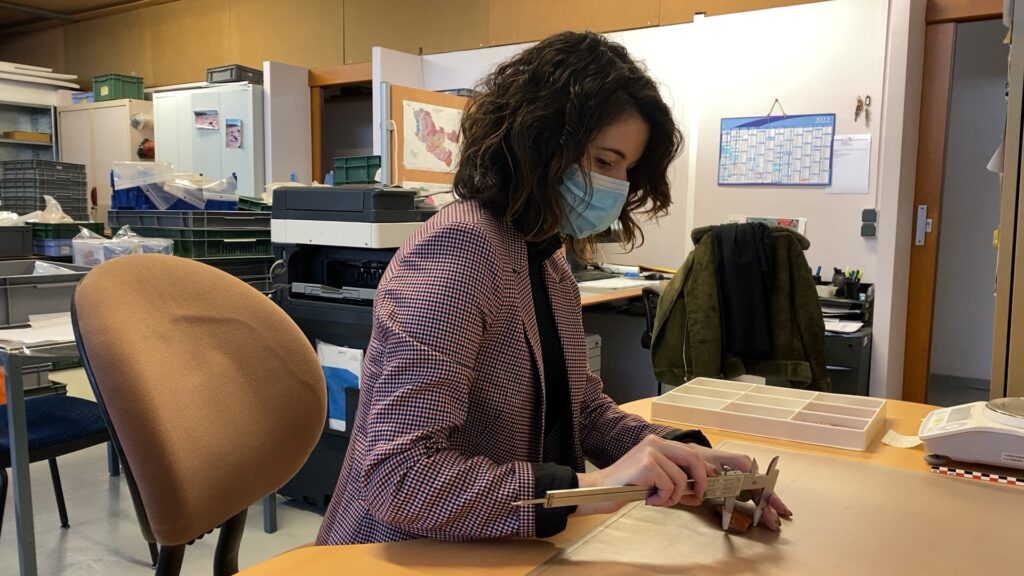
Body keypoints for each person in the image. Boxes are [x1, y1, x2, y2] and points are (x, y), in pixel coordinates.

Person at [317, 30, 791, 545]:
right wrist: (591, 488)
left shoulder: (544, 257)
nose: (617, 186)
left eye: (627, 170)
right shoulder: (458, 249)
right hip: (399, 551)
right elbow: (399, 478)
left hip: (501, 548)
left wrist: (688, 456)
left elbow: (583, 410)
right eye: (605, 161)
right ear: (540, 141)